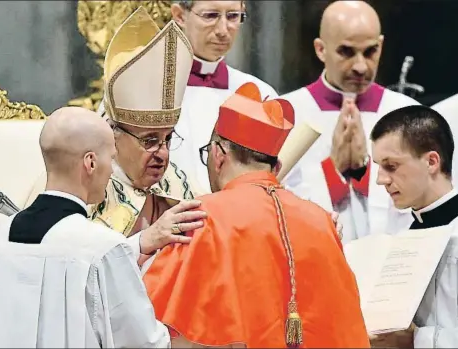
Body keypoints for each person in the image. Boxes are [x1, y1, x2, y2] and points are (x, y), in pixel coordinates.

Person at [142, 82, 370, 348]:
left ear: (217, 155)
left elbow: (146, 321)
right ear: (278, 165)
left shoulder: (199, 217)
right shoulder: (322, 220)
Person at [0, 107, 188, 348]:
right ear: (91, 163)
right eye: (111, 158)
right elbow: (144, 343)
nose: (111, 170)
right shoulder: (103, 250)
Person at [25, 7, 206, 263]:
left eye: (167, 139)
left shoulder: (177, 183)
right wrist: (142, 243)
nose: (162, 154)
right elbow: (58, 267)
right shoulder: (77, 181)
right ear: (113, 135)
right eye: (149, 141)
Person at [279, 0, 420, 244]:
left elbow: (420, 199)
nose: (360, 66)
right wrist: (332, 172)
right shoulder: (286, 112)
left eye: (370, 51)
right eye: (346, 51)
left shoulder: (407, 113)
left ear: (381, 45)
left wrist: (364, 171)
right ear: (320, 49)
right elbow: (277, 203)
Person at [370, 105, 458, 348]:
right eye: (378, 166)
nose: (380, 179)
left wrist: (417, 339)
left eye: (391, 166)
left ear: (431, 161)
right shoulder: (401, 240)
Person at [165, 0, 280, 192]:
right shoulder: (148, 86)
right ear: (179, 15)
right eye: (210, 15)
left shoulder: (261, 94)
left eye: (233, 16)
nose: (223, 30)